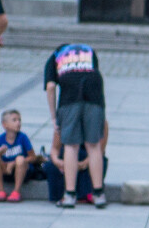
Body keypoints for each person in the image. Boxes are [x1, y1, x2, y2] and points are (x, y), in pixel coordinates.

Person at [44, 43, 106, 209]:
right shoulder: (89, 50)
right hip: (94, 97)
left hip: (69, 99)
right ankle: (99, 194)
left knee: (71, 146)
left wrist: (53, 116)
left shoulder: (55, 56)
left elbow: (50, 87)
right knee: (93, 145)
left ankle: (70, 195)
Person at [44, 124, 108, 205]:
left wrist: (83, 164)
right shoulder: (65, 119)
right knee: (51, 166)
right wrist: (58, 162)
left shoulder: (100, 121)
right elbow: (54, 149)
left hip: (88, 157)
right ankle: (61, 195)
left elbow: (100, 150)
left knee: (96, 163)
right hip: (66, 156)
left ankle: (87, 194)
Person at [0, 109, 32, 202]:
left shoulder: (23, 137)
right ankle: (1, 191)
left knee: (20, 159)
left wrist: (13, 163)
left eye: (19, 120)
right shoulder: (0, 139)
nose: (18, 123)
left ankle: (16, 191)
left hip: (21, 170)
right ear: (5, 124)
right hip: (5, 170)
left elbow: (33, 157)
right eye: (14, 120)